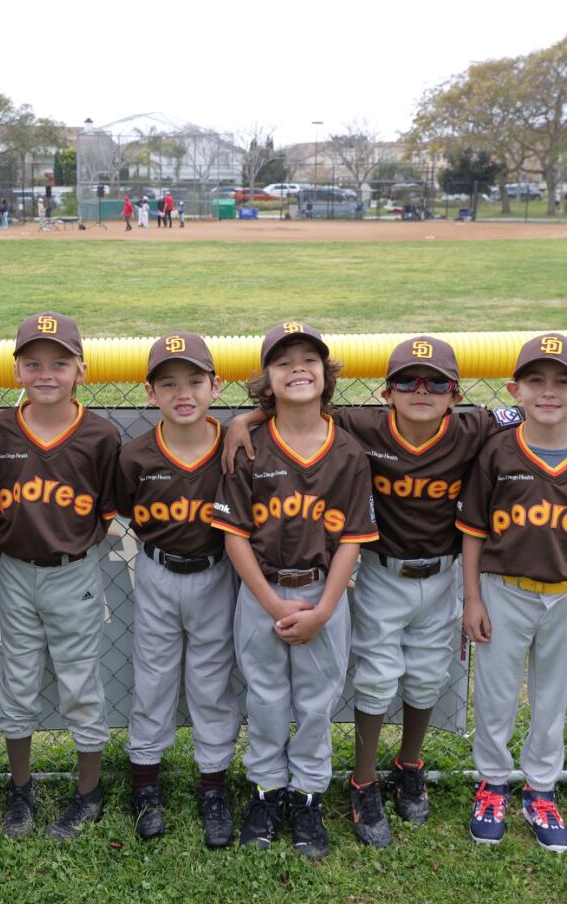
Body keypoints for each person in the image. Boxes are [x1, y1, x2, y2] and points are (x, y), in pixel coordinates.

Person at [221, 336, 567, 849]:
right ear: (386, 391)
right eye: (407, 380)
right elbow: (299, 407)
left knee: (428, 678)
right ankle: (362, 779)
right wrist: (243, 421)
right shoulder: (360, 426)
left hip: (444, 573)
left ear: (456, 394)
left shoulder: (471, 425)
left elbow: (540, 411)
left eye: (437, 382)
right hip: (382, 571)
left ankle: (409, 764)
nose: (422, 390)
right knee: (374, 678)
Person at [211, 321, 378, 860]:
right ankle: (265, 790)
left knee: (316, 701)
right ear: (267, 381)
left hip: (324, 592)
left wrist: (324, 610)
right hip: (263, 592)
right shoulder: (249, 445)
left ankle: (306, 794)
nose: (298, 369)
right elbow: (235, 536)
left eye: (310, 360)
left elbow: (352, 539)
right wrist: (272, 603)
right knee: (263, 697)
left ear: (327, 377)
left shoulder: (348, 451)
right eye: (283, 362)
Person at [457, 333, 567, 853]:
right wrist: (473, 599)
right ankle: (491, 783)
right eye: (536, 381)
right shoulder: (497, 450)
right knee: (497, 695)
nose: (549, 392)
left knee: (552, 697)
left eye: (563, 382)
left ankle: (541, 789)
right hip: (503, 588)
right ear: (515, 389)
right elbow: (474, 531)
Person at [0, 312, 121, 842]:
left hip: (74, 572)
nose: (47, 373)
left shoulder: (99, 434)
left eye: (60, 363)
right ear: (17, 370)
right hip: (15, 571)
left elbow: (106, 513)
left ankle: (88, 792)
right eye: (34, 363)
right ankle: (20, 788)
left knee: (80, 684)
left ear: (81, 370)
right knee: (18, 682)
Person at [115, 333, 238, 848]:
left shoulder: (237, 446)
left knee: (213, 680)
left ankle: (213, 785)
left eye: (194, 381)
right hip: (159, 572)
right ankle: (145, 783)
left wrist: (246, 423)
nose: (182, 393)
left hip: (218, 571)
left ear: (216, 385)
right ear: (150, 393)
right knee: (154, 675)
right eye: (168, 384)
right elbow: (125, 507)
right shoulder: (136, 455)